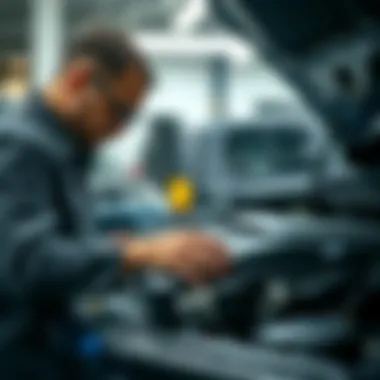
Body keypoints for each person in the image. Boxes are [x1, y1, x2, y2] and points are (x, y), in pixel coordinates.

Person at [0, 27, 230, 379]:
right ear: (78, 79)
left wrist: (135, 242)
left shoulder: (65, 146)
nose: (122, 131)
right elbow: (29, 262)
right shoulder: (21, 146)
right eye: (119, 112)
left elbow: (66, 234)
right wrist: (137, 253)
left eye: (131, 119)